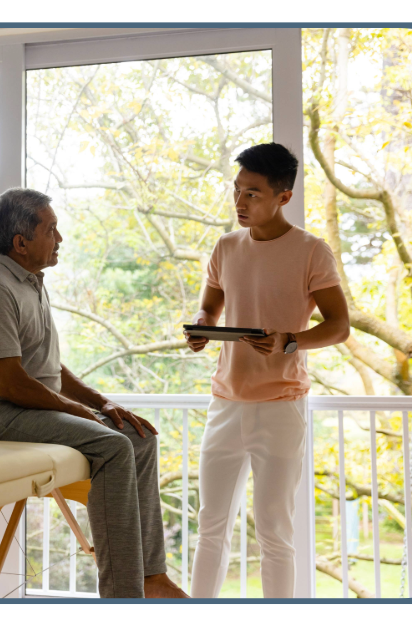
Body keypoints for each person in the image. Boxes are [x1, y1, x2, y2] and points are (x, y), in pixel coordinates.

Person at [0, 187, 187, 598]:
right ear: (21, 243)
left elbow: (48, 367)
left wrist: (102, 403)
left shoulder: (30, 282)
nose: (59, 239)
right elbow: (11, 383)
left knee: (139, 439)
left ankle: (151, 577)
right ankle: (123, 595)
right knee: (112, 446)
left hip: (22, 408)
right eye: (51, 230)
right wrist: (81, 413)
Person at [187, 142, 350, 598]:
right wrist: (202, 326)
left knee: (275, 532)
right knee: (210, 526)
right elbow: (209, 305)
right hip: (225, 403)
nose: (240, 202)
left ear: (283, 196)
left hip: (281, 407)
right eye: (237, 191)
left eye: (252, 194)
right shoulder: (226, 246)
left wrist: (290, 340)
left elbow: (339, 326)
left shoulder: (311, 251)